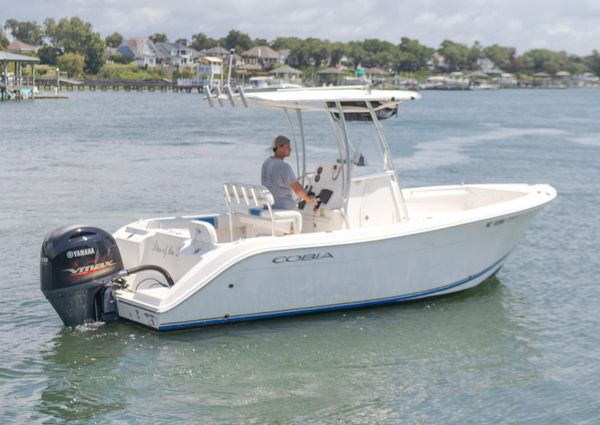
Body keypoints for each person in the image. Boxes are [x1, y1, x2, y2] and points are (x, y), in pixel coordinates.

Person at [261, 135, 316, 210]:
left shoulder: (266, 163)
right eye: (288, 147)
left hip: (268, 207)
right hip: (284, 208)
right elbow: (298, 190)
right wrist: (308, 198)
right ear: (279, 147)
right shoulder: (283, 166)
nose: (291, 149)